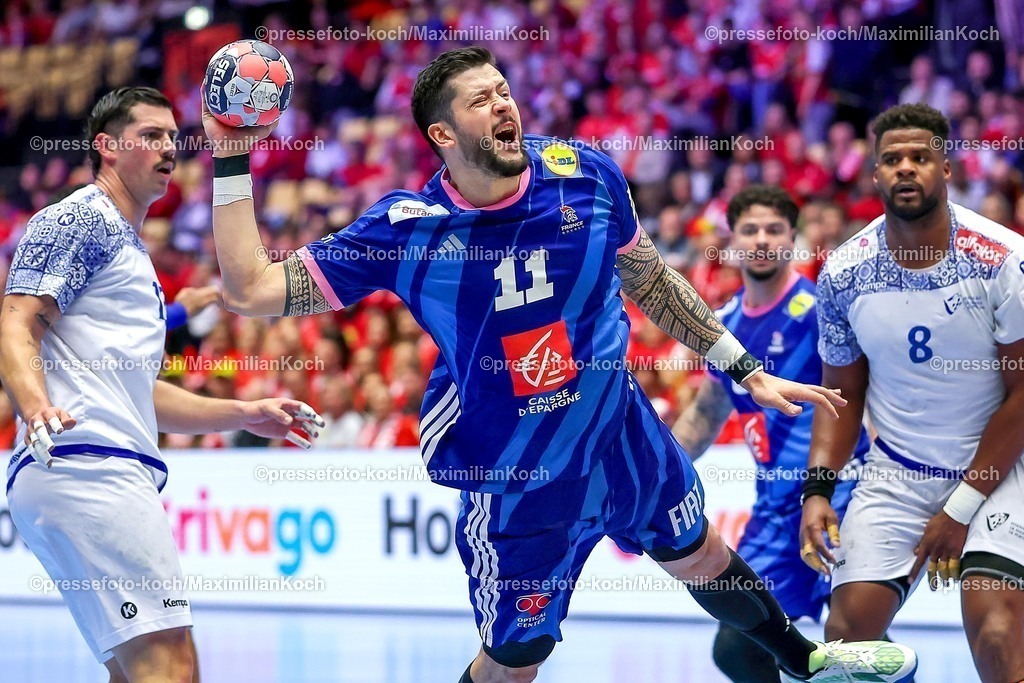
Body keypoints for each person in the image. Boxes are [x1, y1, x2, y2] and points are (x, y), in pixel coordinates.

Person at [204, 46, 917, 683]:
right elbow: (251, 288)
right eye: (481, 100)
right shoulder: (406, 230)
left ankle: (806, 663)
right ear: (442, 136)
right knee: (517, 662)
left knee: (697, 550)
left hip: (618, 427)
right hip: (513, 464)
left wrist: (742, 367)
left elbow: (651, 280)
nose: (504, 104)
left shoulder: (585, 175)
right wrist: (232, 157)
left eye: (504, 90)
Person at [0, 87, 325, 683]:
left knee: (136, 672)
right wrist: (36, 405)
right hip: (89, 466)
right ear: (106, 147)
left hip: (80, 469)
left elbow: (139, 394)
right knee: (172, 667)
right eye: (150, 135)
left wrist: (244, 411)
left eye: (173, 137)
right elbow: (16, 320)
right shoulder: (80, 217)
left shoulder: (129, 249)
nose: (168, 148)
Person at [800, 103, 1024, 683]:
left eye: (920, 158)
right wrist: (818, 490)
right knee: (845, 640)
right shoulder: (843, 272)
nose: (906, 169)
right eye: (892, 159)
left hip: (999, 469)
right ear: (873, 173)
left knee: (997, 632)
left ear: (945, 168)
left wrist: (959, 510)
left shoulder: (1003, 259)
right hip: (897, 470)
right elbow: (840, 393)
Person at [673, 184, 869, 682]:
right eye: (751, 230)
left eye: (774, 230)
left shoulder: (820, 309)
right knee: (736, 645)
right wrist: (660, 471)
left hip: (840, 494)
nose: (762, 240)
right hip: (772, 513)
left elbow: (865, 392)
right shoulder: (724, 326)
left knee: (855, 632)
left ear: (792, 239)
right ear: (732, 240)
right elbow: (707, 411)